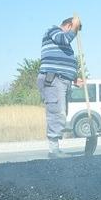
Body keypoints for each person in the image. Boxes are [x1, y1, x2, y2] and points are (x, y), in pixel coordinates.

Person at [37, 16, 83, 158]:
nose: (75, 35)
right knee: (56, 112)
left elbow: (63, 61)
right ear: (69, 25)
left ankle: (55, 149)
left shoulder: (65, 44)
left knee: (62, 113)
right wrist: (75, 27)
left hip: (62, 80)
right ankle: (54, 151)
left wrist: (74, 77)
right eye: (75, 30)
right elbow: (64, 39)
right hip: (53, 79)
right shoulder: (53, 31)